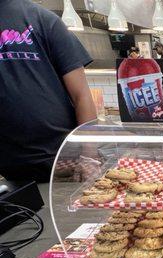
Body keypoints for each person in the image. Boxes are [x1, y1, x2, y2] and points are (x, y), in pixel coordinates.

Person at [0, 0, 96, 182]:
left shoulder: (42, 19)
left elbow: (81, 95)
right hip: (9, 170)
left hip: (64, 161)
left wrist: (89, 155)